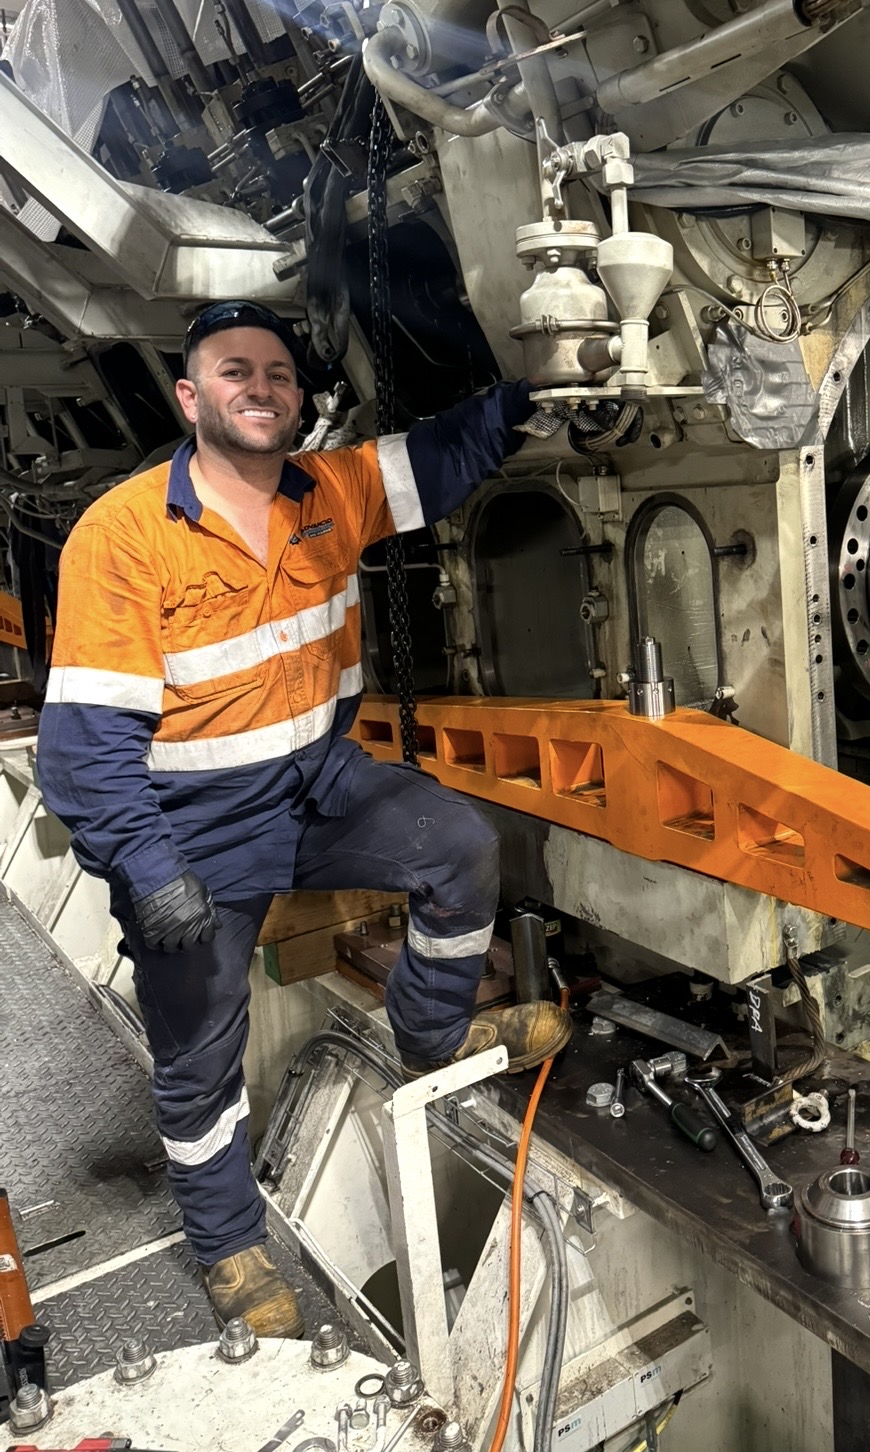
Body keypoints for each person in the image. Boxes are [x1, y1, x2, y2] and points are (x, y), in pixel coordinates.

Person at [37, 300, 571, 1339]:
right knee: (198, 1052)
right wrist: (147, 870)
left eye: (278, 375)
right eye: (235, 372)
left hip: (314, 783)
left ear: (296, 401)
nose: (261, 388)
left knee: (458, 848)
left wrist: (530, 399)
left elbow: (440, 455)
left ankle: (431, 1031)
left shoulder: (332, 490)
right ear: (192, 398)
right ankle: (228, 1243)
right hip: (188, 823)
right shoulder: (127, 534)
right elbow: (81, 752)